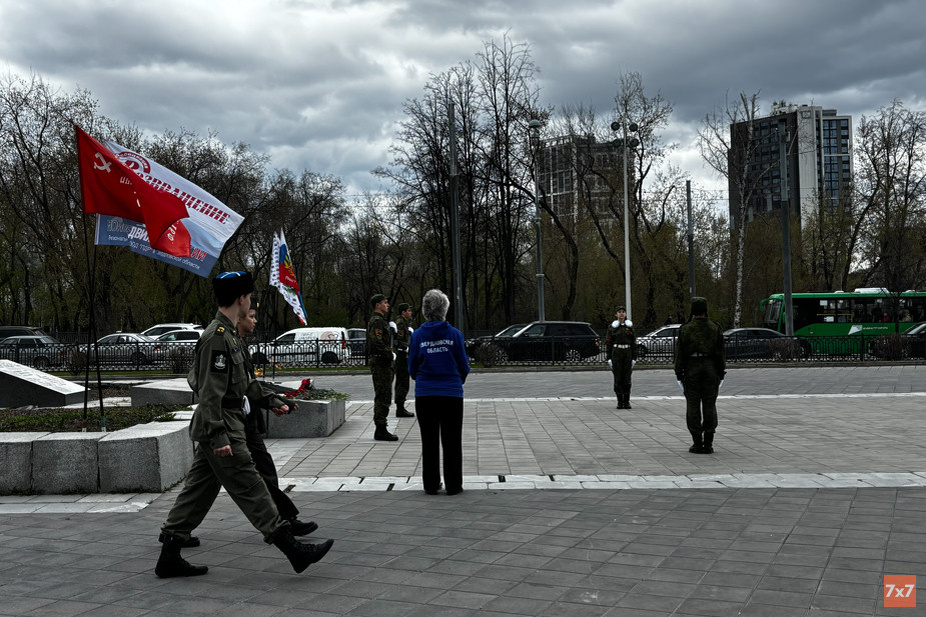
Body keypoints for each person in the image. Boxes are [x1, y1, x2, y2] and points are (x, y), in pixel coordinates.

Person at [155, 271, 333, 578]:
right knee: (251, 487)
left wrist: (273, 400)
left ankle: (170, 552)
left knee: (198, 491)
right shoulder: (217, 338)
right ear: (241, 299)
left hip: (227, 420)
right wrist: (219, 434)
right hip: (222, 425)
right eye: (249, 296)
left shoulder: (229, 335)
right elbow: (210, 392)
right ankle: (294, 550)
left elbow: (243, 384)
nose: (250, 301)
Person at [238, 306, 318, 536]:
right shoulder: (225, 342)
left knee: (202, 482)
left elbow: (249, 385)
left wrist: (274, 401)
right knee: (261, 471)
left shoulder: (239, 344)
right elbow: (245, 386)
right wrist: (273, 400)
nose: (255, 321)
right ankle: (283, 522)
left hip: (242, 421)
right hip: (231, 425)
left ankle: (175, 532)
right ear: (239, 317)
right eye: (251, 317)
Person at [408, 289, 470, 495]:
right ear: (444, 310)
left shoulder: (417, 336)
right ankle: (454, 485)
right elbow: (464, 365)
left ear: (425, 310)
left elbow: (412, 367)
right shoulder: (455, 335)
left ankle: (431, 484)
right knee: (452, 440)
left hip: (426, 394)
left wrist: (424, 378)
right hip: (451, 393)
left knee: (429, 440)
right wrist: (456, 380)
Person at [674, 297, 725, 455]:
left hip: (692, 368)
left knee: (693, 405)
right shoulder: (714, 328)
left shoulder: (685, 329)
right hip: (710, 368)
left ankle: (697, 442)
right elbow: (720, 353)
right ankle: (708, 442)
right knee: (710, 405)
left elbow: (680, 354)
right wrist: (721, 372)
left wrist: (678, 373)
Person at [367, 293, 398, 441]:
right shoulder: (378, 321)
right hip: (381, 362)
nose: (387, 305)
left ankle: (381, 427)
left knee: (385, 395)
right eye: (385, 303)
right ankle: (380, 428)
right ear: (377, 305)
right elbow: (376, 341)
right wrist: (389, 353)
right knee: (383, 396)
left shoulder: (380, 321)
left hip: (382, 362)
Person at [605, 306, 636, 409]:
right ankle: (620, 401)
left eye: (623, 312)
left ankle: (626, 401)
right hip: (616, 352)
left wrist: (634, 358)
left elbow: (633, 343)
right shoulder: (612, 327)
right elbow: (608, 343)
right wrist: (609, 358)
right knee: (618, 377)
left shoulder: (630, 327)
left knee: (627, 377)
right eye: (619, 312)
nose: (621, 314)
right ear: (616, 314)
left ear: (625, 314)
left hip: (627, 352)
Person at [392, 302, 415, 418]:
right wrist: (407, 347)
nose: (410, 313)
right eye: (408, 311)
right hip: (401, 357)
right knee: (402, 382)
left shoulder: (404, 323)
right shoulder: (401, 323)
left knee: (403, 381)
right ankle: (400, 408)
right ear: (403, 312)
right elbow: (398, 340)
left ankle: (400, 407)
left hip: (403, 356)